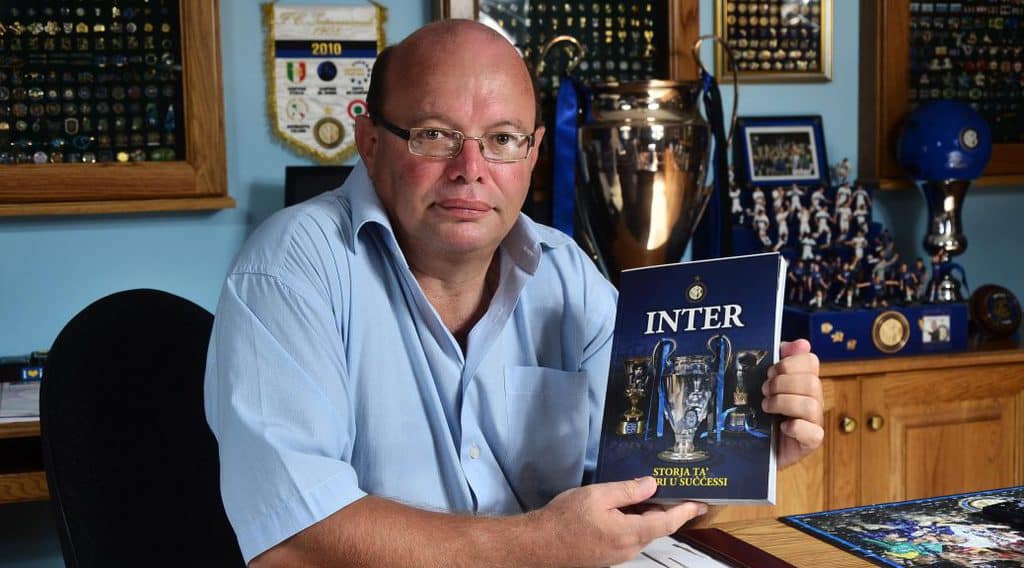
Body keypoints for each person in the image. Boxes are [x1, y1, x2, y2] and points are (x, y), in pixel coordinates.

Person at [205, 20, 825, 567]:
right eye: (434, 134)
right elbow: (293, 543)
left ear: (532, 154)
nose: (469, 169)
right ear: (370, 142)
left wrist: (739, 454)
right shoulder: (290, 270)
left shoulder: (567, 273)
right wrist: (537, 546)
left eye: (502, 139)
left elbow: (639, 492)